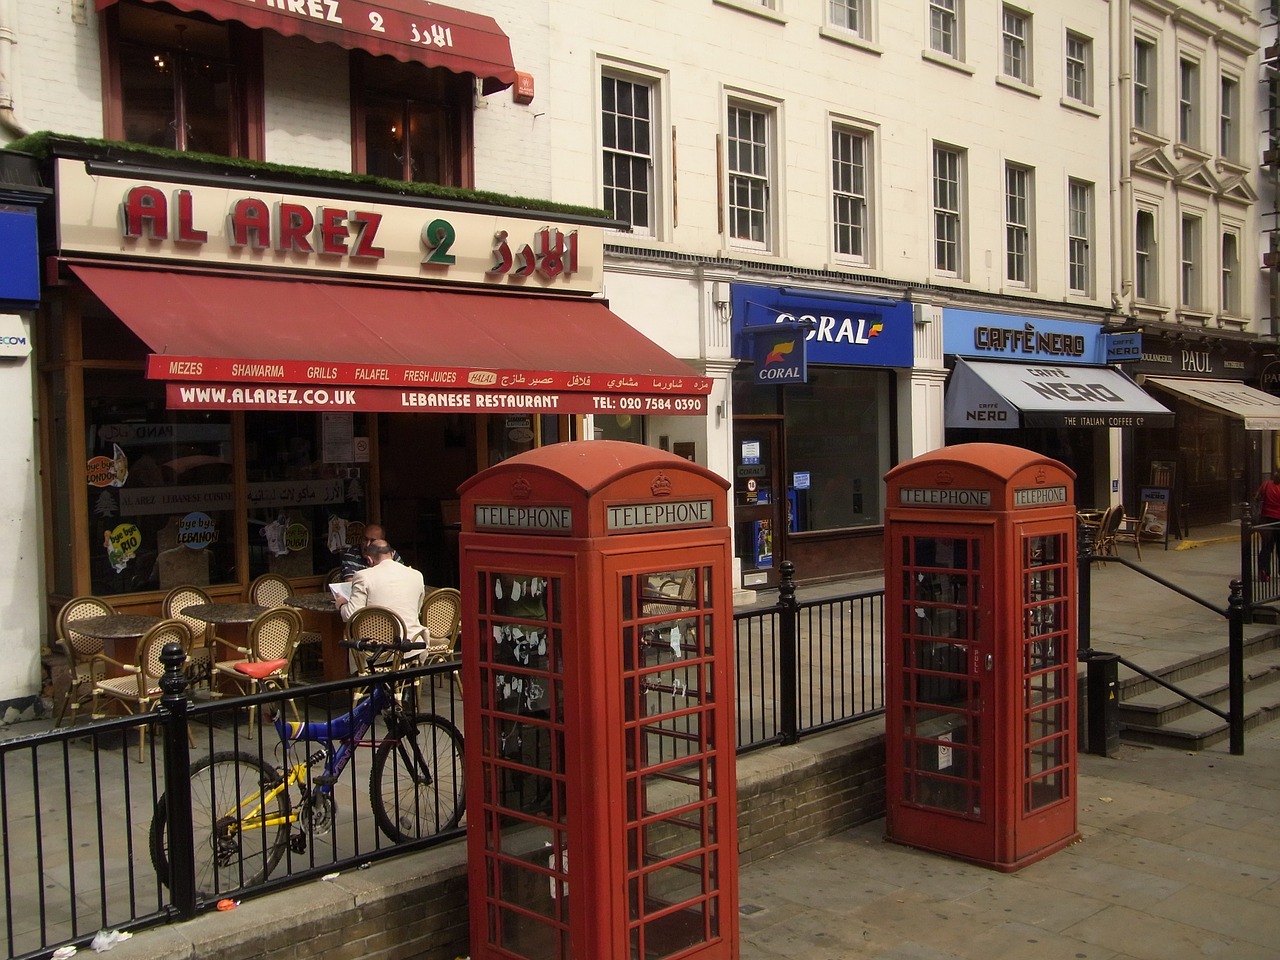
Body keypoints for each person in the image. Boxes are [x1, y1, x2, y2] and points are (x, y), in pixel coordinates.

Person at [336, 539, 428, 649]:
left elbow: (351, 615)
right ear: (393, 554)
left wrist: (341, 604)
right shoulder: (417, 575)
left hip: (376, 650)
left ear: (369, 560)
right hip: (412, 646)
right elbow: (417, 610)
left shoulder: (363, 577)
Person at [337, 523, 402, 581]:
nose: (367, 544)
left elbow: (403, 576)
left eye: (373, 541)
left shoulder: (389, 553)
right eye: (365, 539)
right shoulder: (351, 554)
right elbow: (351, 583)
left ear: (381, 542)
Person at [1255, 470, 1280, 582]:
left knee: (1266, 547)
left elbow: (1257, 498)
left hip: (1266, 520)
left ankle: (1264, 572)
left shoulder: (1266, 484)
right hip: (1278, 521)